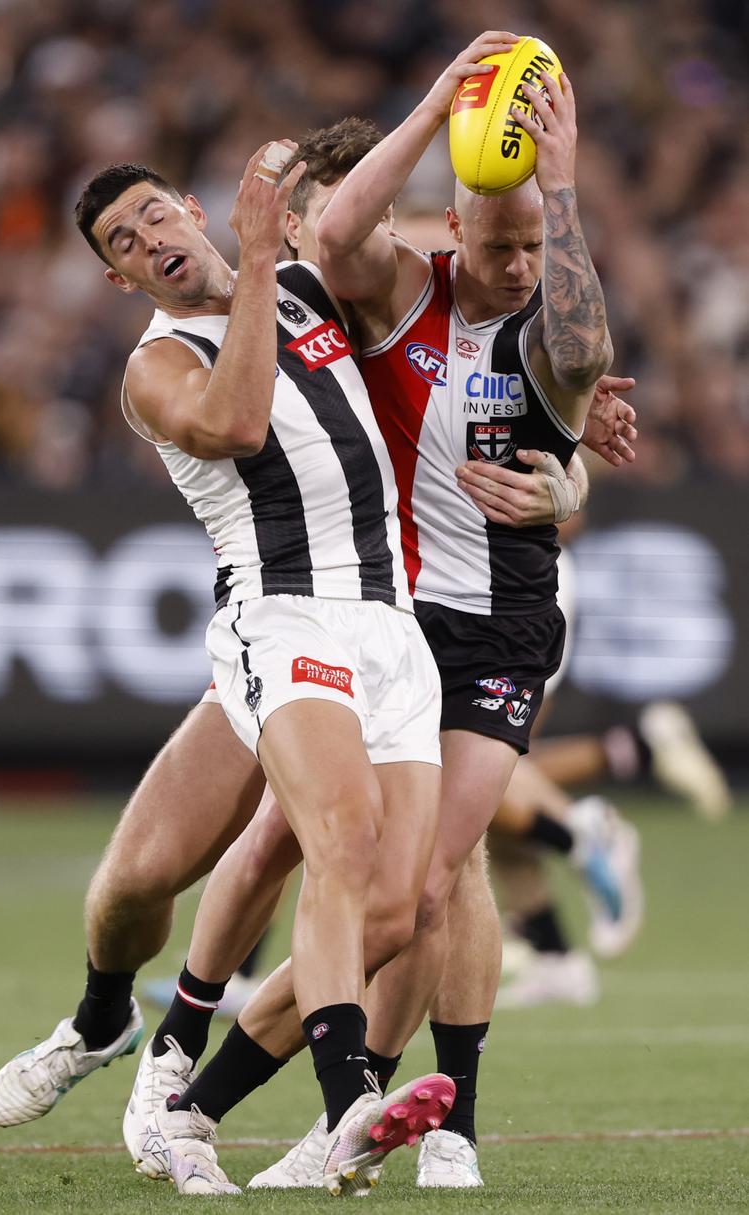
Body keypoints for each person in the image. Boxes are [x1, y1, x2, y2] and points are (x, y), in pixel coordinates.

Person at [124, 31, 632, 1193]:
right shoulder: (381, 300)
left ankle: (256, 1101)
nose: (510, 264)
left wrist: (562, 192)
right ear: (449, 226)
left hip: (496, 624)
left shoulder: (539, 333)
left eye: (530, 244)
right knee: (326, 865)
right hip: (378, 620)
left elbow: (586, 350)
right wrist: (439, 101)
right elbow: (339, 241)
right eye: (491, 239)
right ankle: (292, 1093)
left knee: (423, 882)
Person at [0, 144, 461, 1199]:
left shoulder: (305, 281)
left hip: (374, 628)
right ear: (118, 280)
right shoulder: (157, 364)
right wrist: (251, 262)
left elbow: (429, 276)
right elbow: (239, 424)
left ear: (190, 208)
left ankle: (185, 1066)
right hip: (273, 625)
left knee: (385, 905)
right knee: (139, 883)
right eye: (124, 243)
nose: (150, 240)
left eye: (155, 215)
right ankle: (110, 1023)